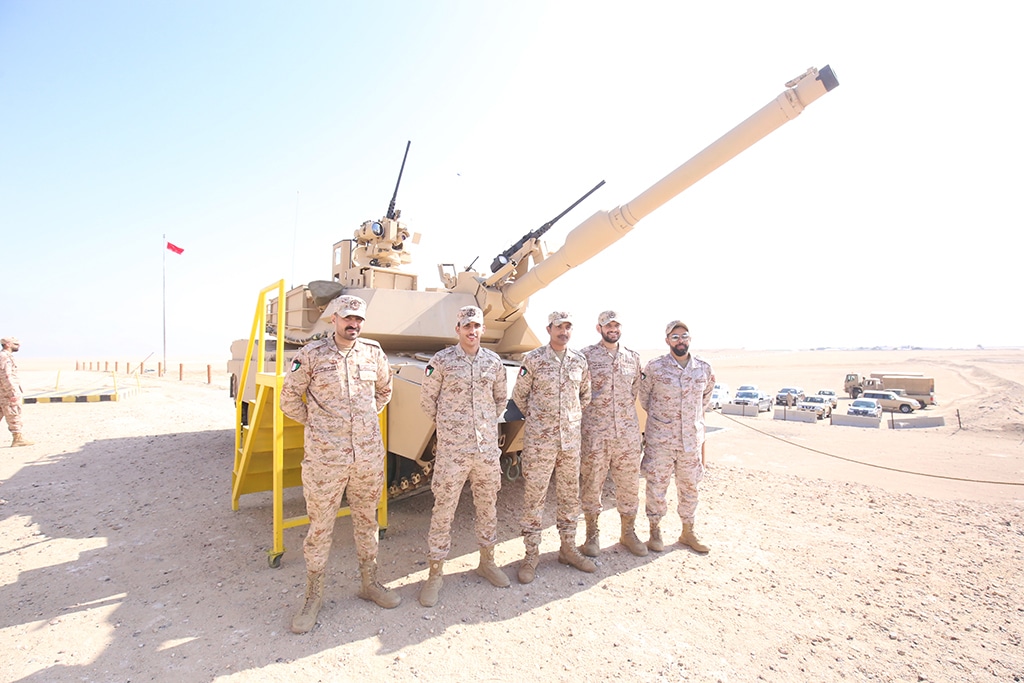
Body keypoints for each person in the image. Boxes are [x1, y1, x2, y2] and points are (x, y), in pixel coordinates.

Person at [280, 294, 399, 635]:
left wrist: (359, 423)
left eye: (359, 319)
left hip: (367, 455)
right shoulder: (312, 355)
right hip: (325, 459)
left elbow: (384, 391)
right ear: (334, 318)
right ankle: (313, 596)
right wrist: (321, 427)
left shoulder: (373, 353)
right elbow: (290, 399)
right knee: (320, 527)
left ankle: (370, 582)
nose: (354, 324)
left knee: (367, 520)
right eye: (348, 318)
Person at [417, 305, 511, 607]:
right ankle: (435, 573)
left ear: (483, 329)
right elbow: (427, 401)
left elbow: (499, 401)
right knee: (443, 510)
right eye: (466, 326)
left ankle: (487, 561)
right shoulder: (442, 361)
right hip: (453, 452)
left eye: (477, 326)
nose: (472, 331)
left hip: (485, 450)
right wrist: (453, 428)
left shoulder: (493, 362)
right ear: (457, 329)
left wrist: (480, 426)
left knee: (488, 506)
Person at [511, 311, 594, 583]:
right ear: (549, 329)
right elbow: (519, 396)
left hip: (570, 443)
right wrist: (542, 420)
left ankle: (568, 548)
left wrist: (565, 422)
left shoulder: (579, 361)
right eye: (559, 327)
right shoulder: (533, 359)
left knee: (570, 496)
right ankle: (531, 555)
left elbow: (585, 397)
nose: (564, 331)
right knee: (534, 498)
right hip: (540, 443)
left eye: (568, 327)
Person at [639, 320, 715, 554]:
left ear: (689, 339)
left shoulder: (703, 368)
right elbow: (644, 398)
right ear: (667, 341)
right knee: (656, 486)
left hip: (690, 442)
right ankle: (655, 531)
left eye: (684, 336)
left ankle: (688, 531)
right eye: (675, 337)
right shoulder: (655, 368)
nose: (680, 340)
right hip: (661, 441)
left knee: (690, 487)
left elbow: (705, 400)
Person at [579, 311, 646, 558]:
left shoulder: (633, 358)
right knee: (592, 483)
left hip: (626, 435)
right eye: (608, 325)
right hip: (595, 433)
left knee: (629, 484)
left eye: (616, 325)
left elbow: (635, 392)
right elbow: (580, 391)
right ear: (599, 328)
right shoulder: (586, 356)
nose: (613, 329)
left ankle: (628, 532)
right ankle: (591, 535)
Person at [0, 337, 33, 447]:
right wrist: (12, 391)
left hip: (3, 391)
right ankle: (17, 438)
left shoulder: (5, 356)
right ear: (7, 344)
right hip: (6, 392)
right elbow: (5, 376)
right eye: (15, 344)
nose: (18, 346)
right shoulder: (4, 357)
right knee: (14, 413)